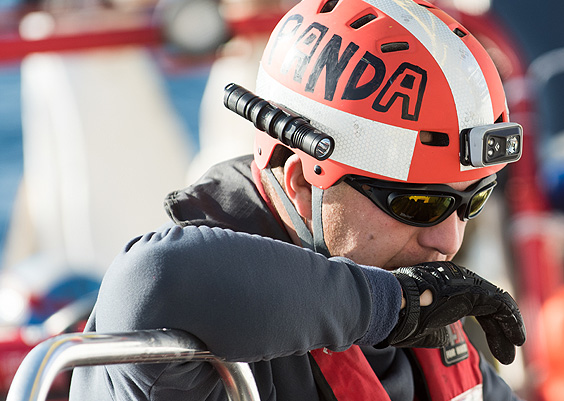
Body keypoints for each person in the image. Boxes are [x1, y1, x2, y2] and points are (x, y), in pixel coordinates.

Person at [69, 0, 527, 399]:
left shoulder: (423, 319)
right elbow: (156, 282)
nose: (447, 240)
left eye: (472, 200)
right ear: (304, 186)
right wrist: (397, 304)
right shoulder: (186, 347)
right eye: (418, 205)